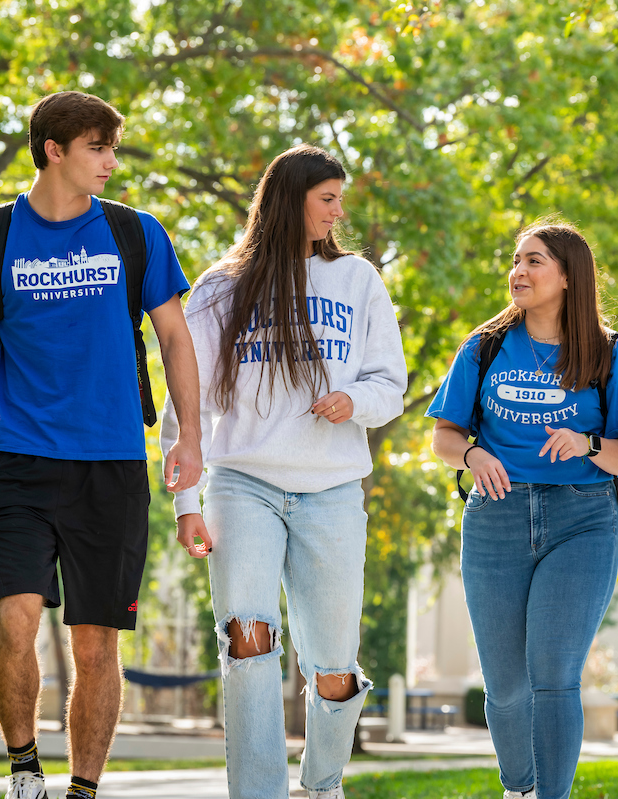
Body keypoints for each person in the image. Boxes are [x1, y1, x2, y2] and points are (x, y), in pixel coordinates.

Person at [0, 91, 201, 799]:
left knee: (96, 642)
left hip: (112, 463)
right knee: (16, 616)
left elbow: (176, 338)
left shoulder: (136, 233)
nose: (112, 162)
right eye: (98, 147)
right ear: (54, 149)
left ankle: (83, 789)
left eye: (113, 148)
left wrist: (190, 438)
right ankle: (25, 772)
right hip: (16, 459)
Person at [159, 143, 406, 799]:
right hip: (243, 486)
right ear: (291, 198)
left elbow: (391, 383)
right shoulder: (221, 287)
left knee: (332, 666)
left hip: (331, 490)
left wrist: (358, 400)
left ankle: (322, 784)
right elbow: (185, 402)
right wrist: (186, 504)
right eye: (328, 198)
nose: (338, 210)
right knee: (247, 637)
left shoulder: (358, 281)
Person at [427, 221, 618, 799]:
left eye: (534, 262)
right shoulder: (486, 345)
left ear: (569, 277)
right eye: (517, 260)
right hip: (495, 518)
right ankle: (519, 790)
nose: (518, 272)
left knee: (553, 675)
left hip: (582, 519)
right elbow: (444, 436)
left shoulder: (609, 354)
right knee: (504, 684)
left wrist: (589, 444)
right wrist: (473, 454)